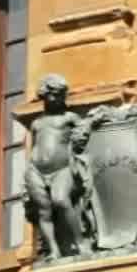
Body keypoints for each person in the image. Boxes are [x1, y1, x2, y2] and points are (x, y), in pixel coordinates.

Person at [23, 75, 96, 259]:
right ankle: (54, 250)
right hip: (36, 171)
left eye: (60, 95)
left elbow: (83, 133)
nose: (57, 99)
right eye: (53, 95)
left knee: (61, 200)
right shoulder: (36, 123)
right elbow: (34, 147)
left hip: (61, 168)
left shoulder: (69, 118)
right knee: (44, 210)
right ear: (44, 96)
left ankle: (80, 243)